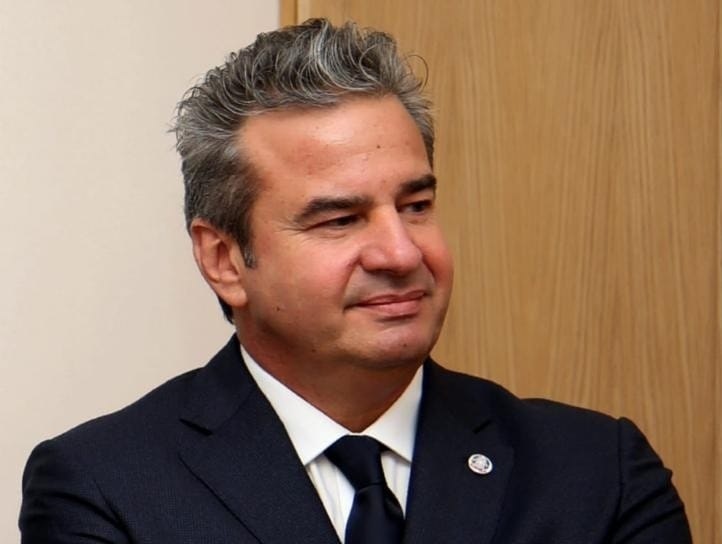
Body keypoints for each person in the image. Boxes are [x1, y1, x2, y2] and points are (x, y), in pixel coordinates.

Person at [20, 18, 691, 543]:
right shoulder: (105, 487)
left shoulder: (599, 473)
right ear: (224, 259)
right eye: (340, 220)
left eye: (416, 206)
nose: (401, 252)